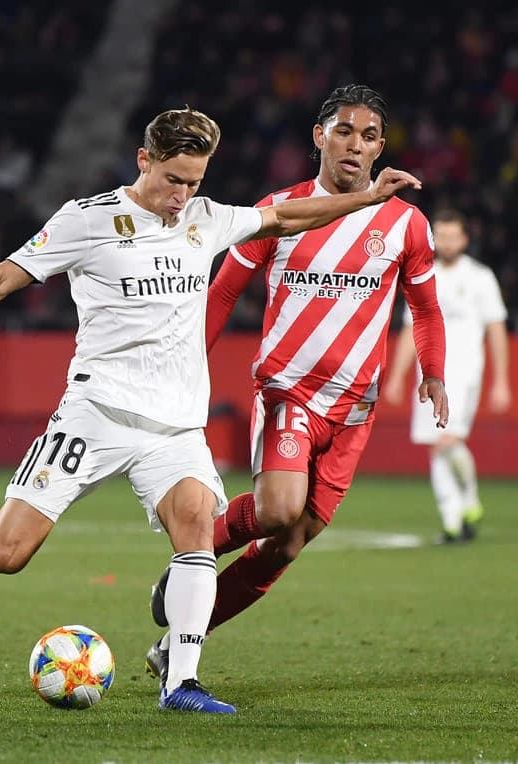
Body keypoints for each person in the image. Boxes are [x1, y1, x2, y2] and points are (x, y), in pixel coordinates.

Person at [0, 107, 423, 714]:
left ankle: (182, 683)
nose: (182, 196)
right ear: (143, 160)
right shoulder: (87, 221)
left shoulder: (205, 220)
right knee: (3, 554)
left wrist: (363, 201)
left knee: (197, 528)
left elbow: (284, 216)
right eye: (173, 179)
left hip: (173, 427)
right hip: (95, 415)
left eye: (195, 182)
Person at [142, 85, 449, 681]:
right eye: (343, 131)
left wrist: (433, 373)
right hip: (289, 392)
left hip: (353, 410)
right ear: (319, 137)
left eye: (367, 136)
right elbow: (224, 289)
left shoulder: (406, 224)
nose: (354, 146)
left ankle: (183, 631)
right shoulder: (280, 210)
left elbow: (426, 308)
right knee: (279, 511)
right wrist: (186, 361)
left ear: (381, 147)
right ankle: (194, 553)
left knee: (286, 544)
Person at [383, 208, 510, 543]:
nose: (447, 242)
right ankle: (453, 520)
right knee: (434, 445)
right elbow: (412, 330)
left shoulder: (481, 278)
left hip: (467, 370)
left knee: (447, 441)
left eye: (453, 235)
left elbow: (496, 328)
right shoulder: (423, 275)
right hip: (430, 373)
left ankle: (468, 500)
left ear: (465, 239)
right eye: (440, 235)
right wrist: (396, 376)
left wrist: (501, 380)